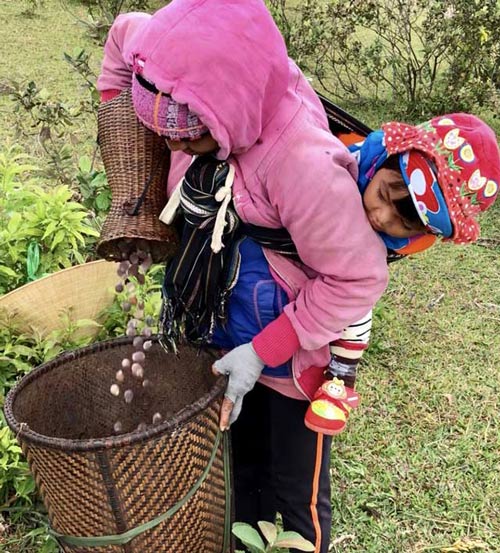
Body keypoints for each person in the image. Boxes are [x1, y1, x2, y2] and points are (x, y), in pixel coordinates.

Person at [97, 1, 499, 551]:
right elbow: (127, 38)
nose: (380, 217)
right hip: (226, 336)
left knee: (294, 494)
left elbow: (356, 282)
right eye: (385, 195)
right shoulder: (196, 73)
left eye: (190, 139)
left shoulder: (306, 169)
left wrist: (264, 350)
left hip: (291, 366)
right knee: (240, 475)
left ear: (226, 119)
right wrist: (116, 106)